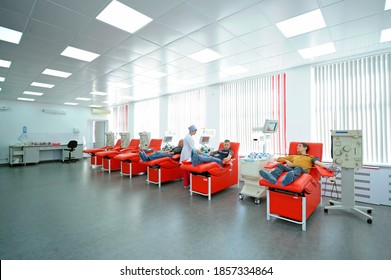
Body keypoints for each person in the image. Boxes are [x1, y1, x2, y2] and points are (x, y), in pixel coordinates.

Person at [259, 142, 332, 186]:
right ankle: (272, 177)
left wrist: (327, 167)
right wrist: (286, 161)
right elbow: (279, 158)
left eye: (299, 146)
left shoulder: (310, 157)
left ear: (305, 148)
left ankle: (289, 178)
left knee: (298, 168)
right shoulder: (294, 156)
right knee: (280, 165)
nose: (297, 147)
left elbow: (318, 163)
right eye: (297, 146)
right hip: (291, 168)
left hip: (303, 170)